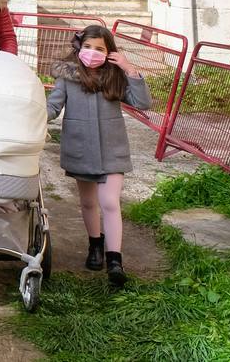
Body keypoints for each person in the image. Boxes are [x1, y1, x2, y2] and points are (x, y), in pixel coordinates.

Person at [47, 25, 151, 288]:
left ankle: (114, 259)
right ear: (79, 48)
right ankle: (95, 244)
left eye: (100, 49)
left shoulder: (115, 75)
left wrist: (129, 69)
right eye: (88, 47)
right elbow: (52, 107)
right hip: (81, 148)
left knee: (110, 202)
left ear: (110, 52)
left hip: (112, 149)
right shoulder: (67, 77)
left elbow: (142, 103)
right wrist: (30, 113)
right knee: (88, 203)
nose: (93, 53)